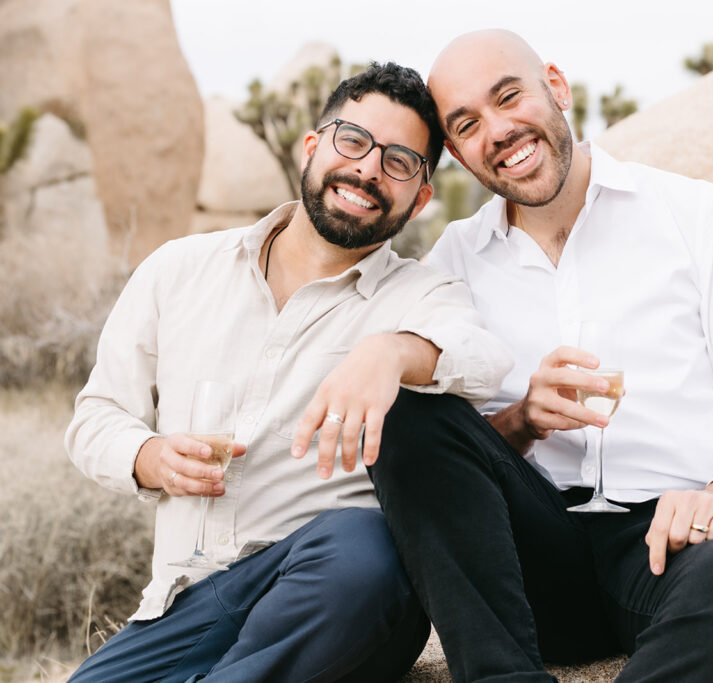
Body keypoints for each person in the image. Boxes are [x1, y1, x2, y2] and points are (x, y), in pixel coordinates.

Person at [368, 31, 713, 682]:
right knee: (403, 410)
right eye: (467, 124)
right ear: (460, 155)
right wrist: (525, 416)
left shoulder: (697, 215)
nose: (498, 130)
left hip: (681, 541)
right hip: (537, 555)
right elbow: (452, 460)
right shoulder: (456, 260)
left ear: (554, 85)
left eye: (509, 96)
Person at [65, 61, 511, 683]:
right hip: (183, 603)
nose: (367, 170)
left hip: (337, 594)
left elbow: (483, 360)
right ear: (312, 146)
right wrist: (148, 456)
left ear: (420, 200)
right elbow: (95, 417)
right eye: (352, 141)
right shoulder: (179, 269)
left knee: (363, 548)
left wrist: (392, 353)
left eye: (399, 162)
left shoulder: (422, 296)